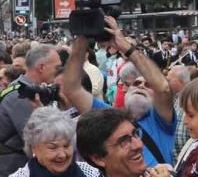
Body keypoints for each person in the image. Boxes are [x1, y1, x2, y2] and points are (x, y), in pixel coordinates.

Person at [64, 22, 176, 168]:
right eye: (135, 84)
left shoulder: (160, 120)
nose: (141, 85)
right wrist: (82, 40)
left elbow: (163, 88)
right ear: (124, 89)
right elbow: (72, 89)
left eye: (148, 85)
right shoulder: (108, 116)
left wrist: (125, 46)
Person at [0, 44, 61, 177]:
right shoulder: (21, 96)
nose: (59, 71)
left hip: (15, 176)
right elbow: (36, 141)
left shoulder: (24, 89)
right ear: (41, 67)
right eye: (57, 67)